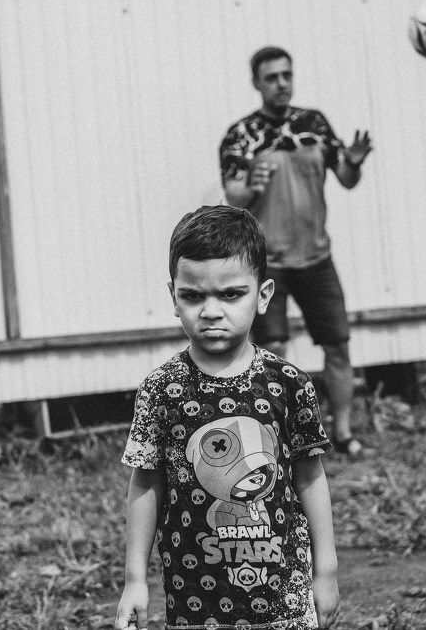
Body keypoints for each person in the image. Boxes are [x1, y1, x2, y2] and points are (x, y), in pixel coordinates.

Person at [115, 205, 339, 630]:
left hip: (284, 600)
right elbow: (145, 483)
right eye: (193, 296)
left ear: (264, 296)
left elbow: (310, 477)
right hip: (196, 601)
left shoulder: (288, 384)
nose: (211, 311)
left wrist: (325, 571)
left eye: (231, 294)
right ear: (174, 297)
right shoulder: (161, 389)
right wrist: (134, 581)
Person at [218, 45, 373, 459]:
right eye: (272, 77)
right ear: (256, 83)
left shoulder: (314, 124)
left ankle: (343, 434)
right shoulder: (241, 135)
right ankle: (281, 441)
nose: (281, 83)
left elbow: (346, 177)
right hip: (268, 264)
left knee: (337, 346)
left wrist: (355, 162)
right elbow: (233, 196)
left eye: (287, 75)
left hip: (317, 257)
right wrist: (252, 184)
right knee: (273, 354)